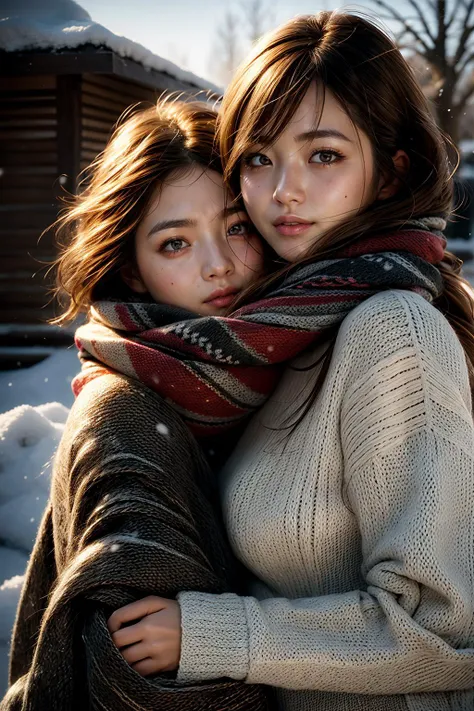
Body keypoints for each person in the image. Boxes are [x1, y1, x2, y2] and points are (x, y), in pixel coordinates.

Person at [108, 12, 474, 711]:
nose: (284, 192)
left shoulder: (392, 330)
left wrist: (216, 633)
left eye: (325, 155)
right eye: (258, 158)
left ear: (392, 172)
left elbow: (441, 630)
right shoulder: (276, 338)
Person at [1, 99, 269, 711]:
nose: (219, 264)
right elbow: (144, 677)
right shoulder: (127, 418)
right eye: (175, 244)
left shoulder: (271, 364)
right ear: (134, 270)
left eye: (236, 226)